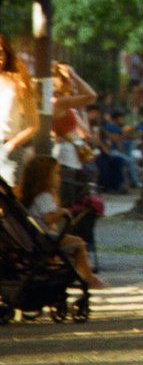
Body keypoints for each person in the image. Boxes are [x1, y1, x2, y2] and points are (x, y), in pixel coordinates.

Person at [18, 155, 106, 289]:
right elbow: (48, 218)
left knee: (72, 242)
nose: (59, 177)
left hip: (37, 237)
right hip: (44, 238)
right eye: (56, 173)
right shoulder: (44, 196)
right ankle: (88, 277)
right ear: (44, 177)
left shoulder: (36, 196)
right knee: (79, 243)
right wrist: (62, 212)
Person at [0, 35, 37, 187]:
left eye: (1, 52)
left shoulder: (19, 84)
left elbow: (34, 125)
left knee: (7, 203)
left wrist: (11, 145)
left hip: (9, 150)